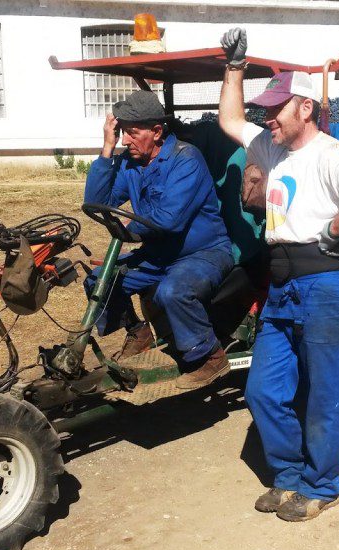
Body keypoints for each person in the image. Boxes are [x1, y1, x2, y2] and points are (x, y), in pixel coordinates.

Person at [217, 28, 339, 522]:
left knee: (325, 391)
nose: (265, 117)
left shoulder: (329, 155)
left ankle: (321, 485)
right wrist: (234, 66)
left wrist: (335, 227)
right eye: (266, 109)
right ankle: (289, 476)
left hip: (326, 284)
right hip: (282, 286)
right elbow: (230, 118)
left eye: (276, 108)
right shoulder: (272, 148)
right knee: (264, 390)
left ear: (305, 109)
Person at [84, 90, 234, 387]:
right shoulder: (130, 163)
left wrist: (131, 229)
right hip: (159, 254)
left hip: (203, 253)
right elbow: (97, 199)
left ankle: (211, 357)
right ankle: (139, 333)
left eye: (132, 133)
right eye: (122, 133)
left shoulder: (186, 159)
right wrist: (107, 147)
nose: (126, 140)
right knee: (98, 281)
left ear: (156, 131)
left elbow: (169, 219)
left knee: (172, 291)